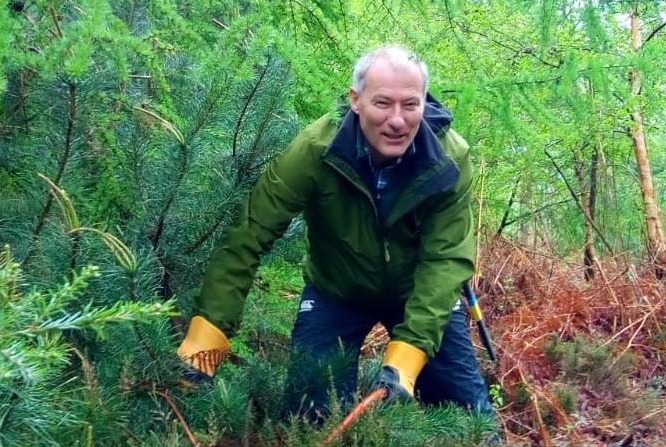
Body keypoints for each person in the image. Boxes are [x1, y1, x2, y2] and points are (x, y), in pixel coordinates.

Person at [177, 44, 492, 418]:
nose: (397, 120)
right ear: (356, 100)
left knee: (468, 420)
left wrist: (407, 358)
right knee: (310, 416)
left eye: (410, 105)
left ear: (424, 102)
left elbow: (446, 261)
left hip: (418, 294)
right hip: (336, 292)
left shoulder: (449, 159)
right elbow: (249, 234)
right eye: (382, 103)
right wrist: (206, 339)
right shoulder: (315, 149)